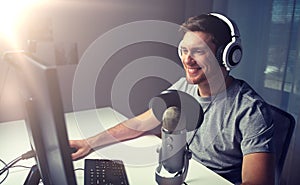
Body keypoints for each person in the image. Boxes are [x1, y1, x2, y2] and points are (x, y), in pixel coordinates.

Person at [70, 12, 275, 185]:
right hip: (179, 175)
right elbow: (141, 122)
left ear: (226, 55)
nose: (187, 60)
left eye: (198, 52)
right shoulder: (184, 86)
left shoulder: (250, 110)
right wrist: (90, 142)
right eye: (184, 50)